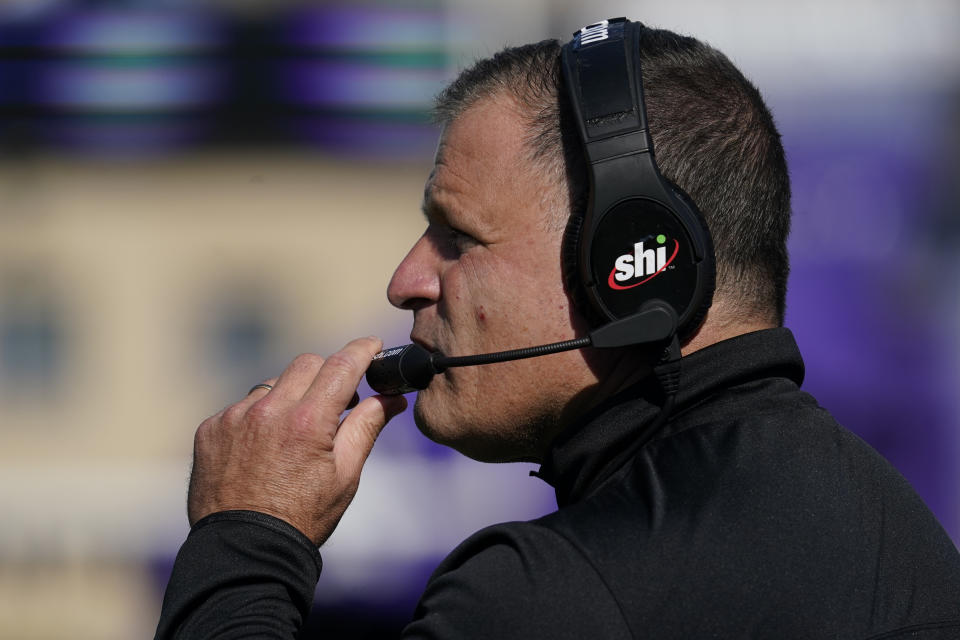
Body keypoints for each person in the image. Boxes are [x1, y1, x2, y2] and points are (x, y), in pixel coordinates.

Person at [155, 20, 960, 639]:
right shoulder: (896, 528)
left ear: (635, 264)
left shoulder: (547, 594)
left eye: (458, 238)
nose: (406, 283)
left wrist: (247, 538)